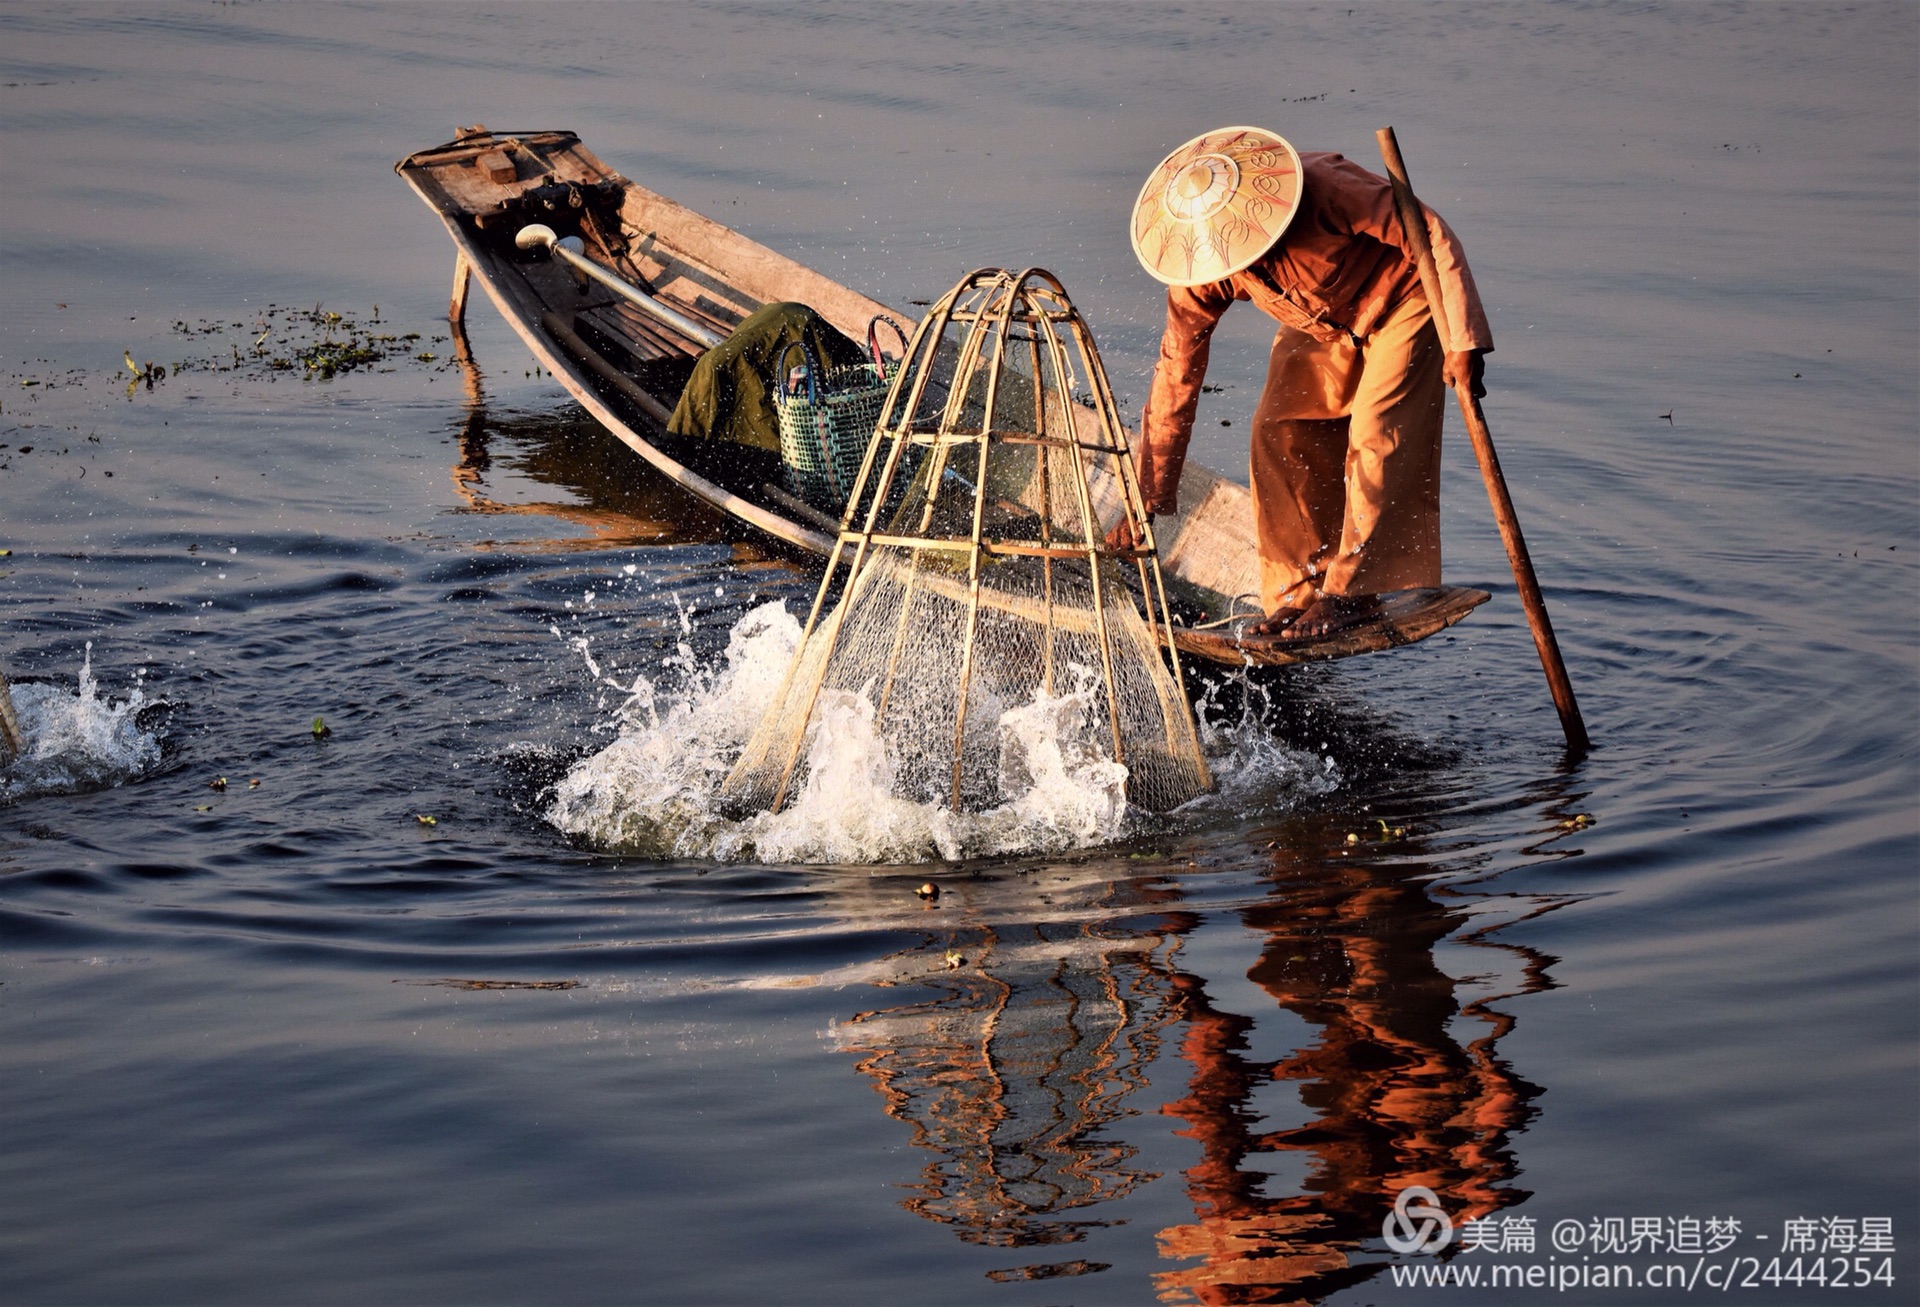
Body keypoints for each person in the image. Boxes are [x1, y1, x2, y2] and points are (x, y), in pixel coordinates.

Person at [1120, 126, 1492, 638]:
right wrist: (1150, 495)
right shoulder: (1202, 270)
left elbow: (1426, 232)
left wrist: (1463, 339)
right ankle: (1302, 593)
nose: (1240, 266)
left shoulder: (1323, 185)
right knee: (1275, 430)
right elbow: (1176, 373)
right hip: (1321, 323)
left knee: (1376, 436)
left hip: (1406, 301)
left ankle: (1353, 595)